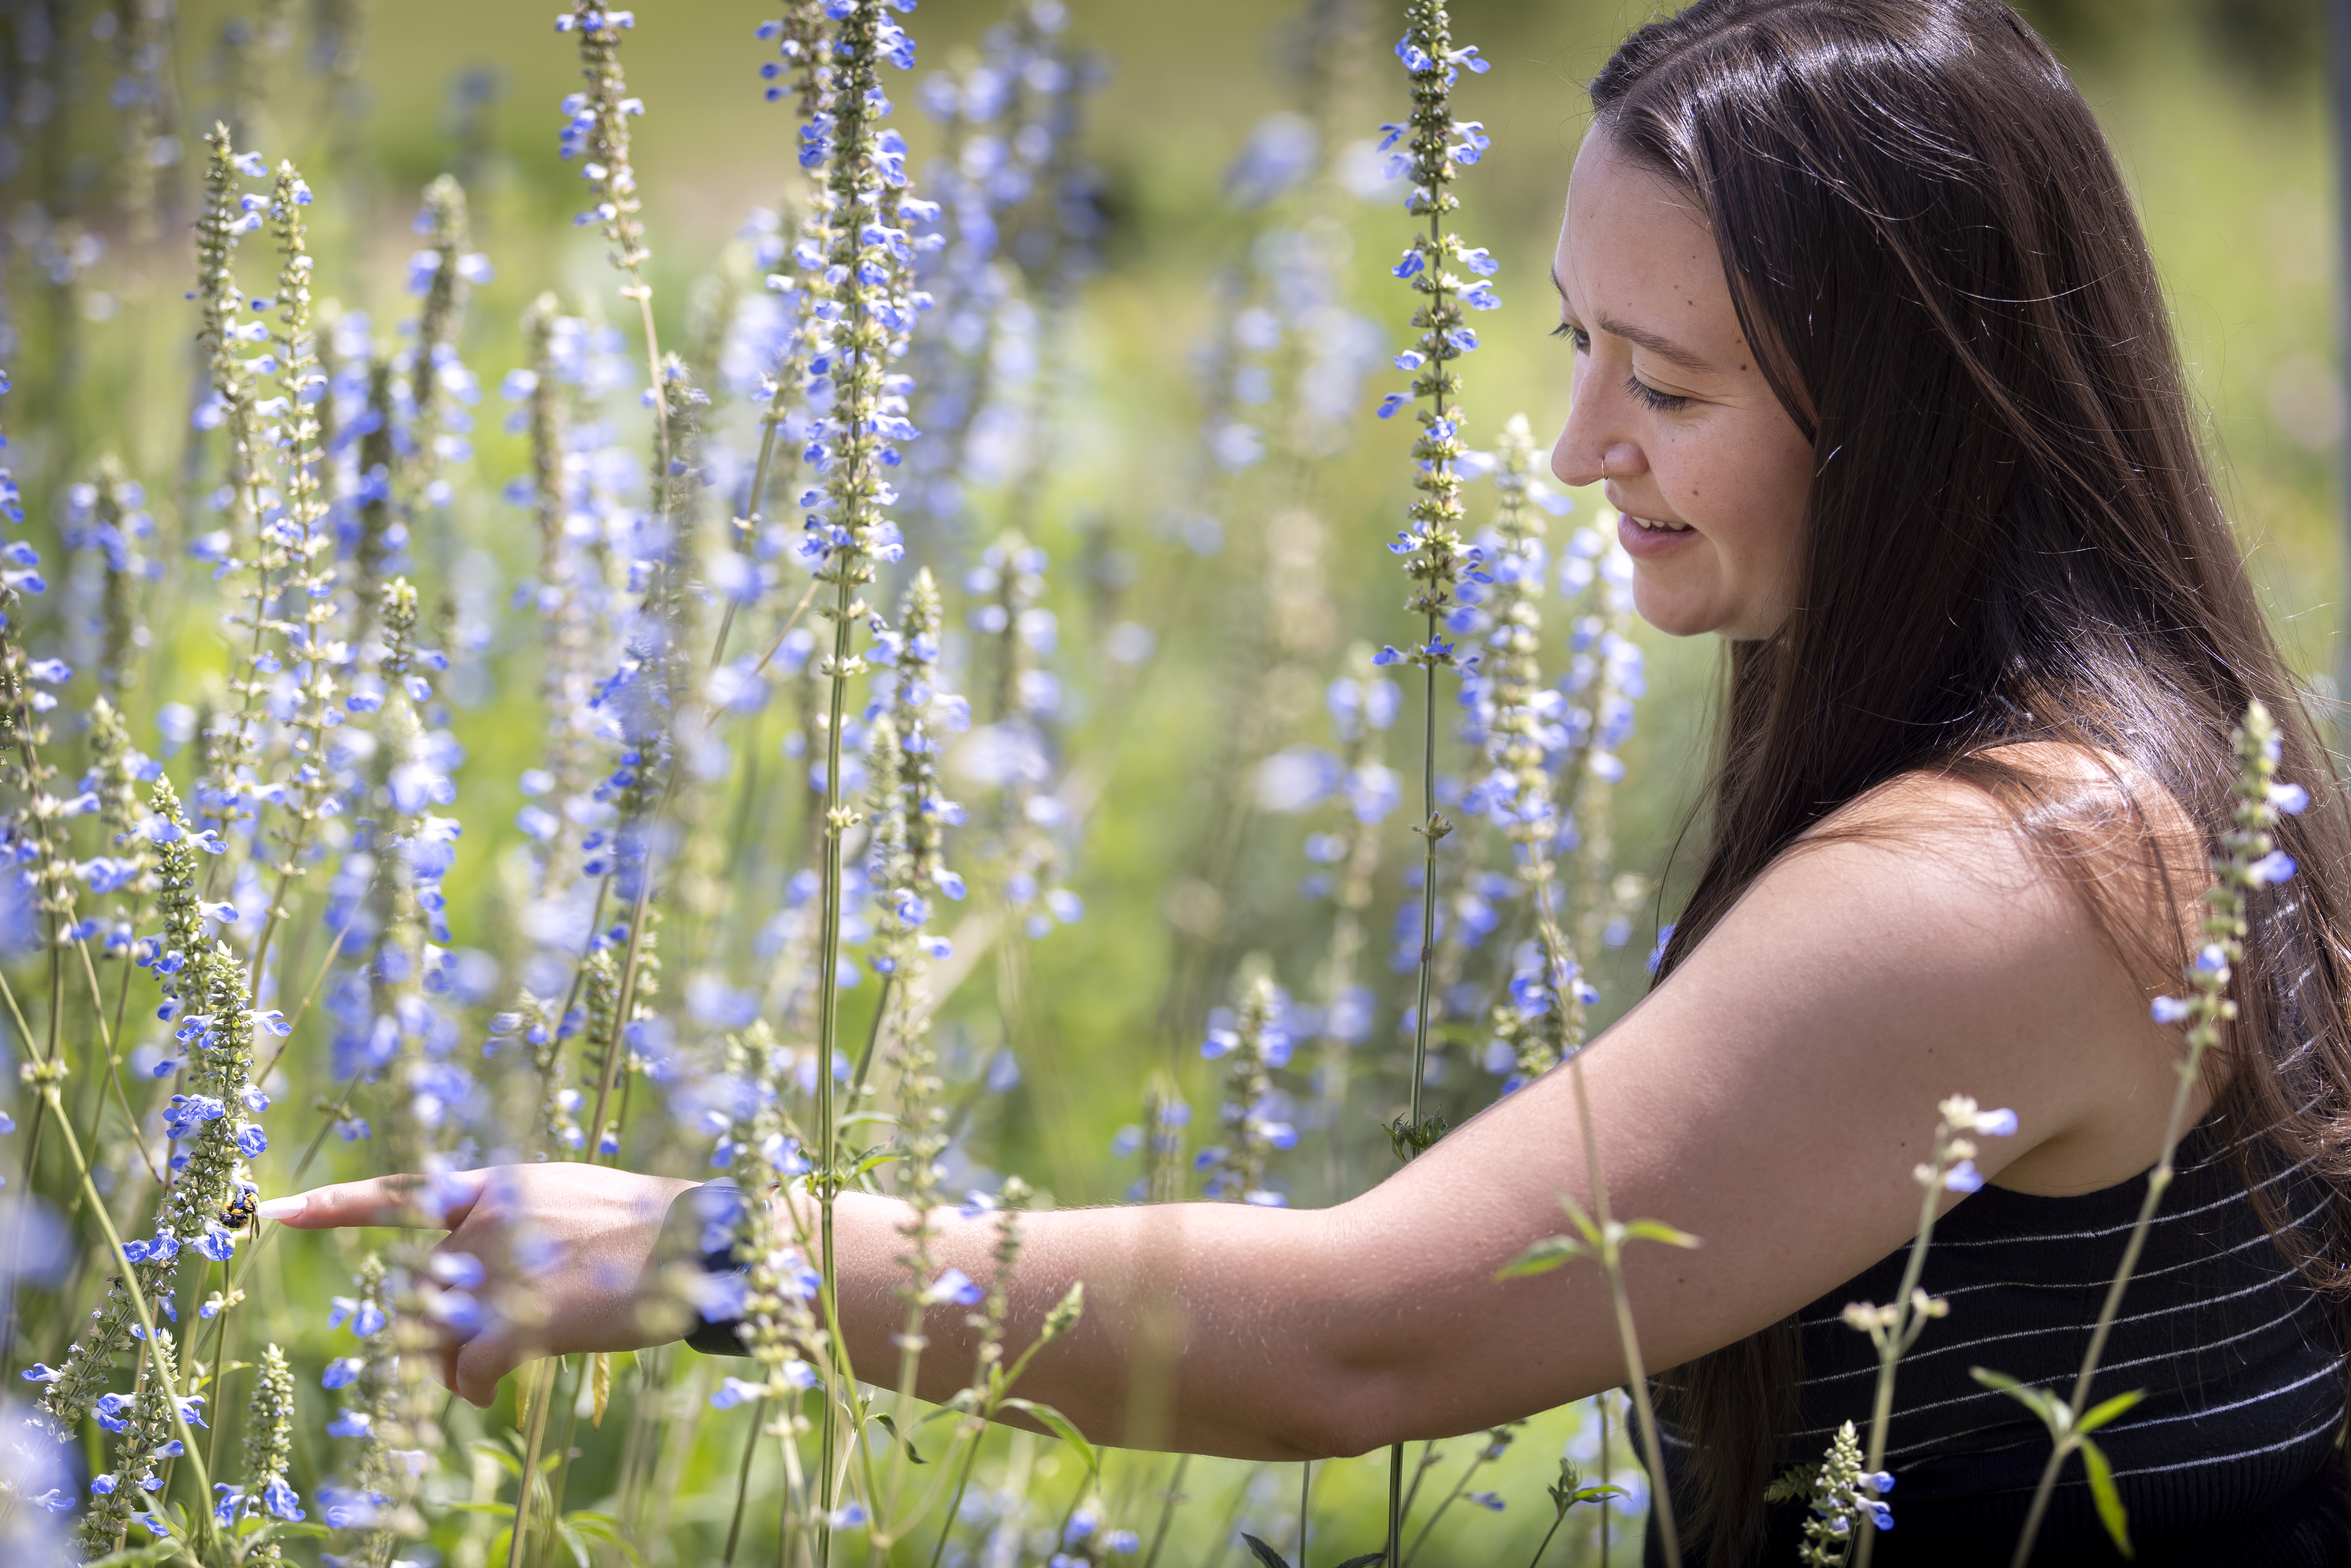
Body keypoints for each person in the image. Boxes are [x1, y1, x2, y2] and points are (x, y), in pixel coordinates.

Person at [260, 1, 2351, 1562]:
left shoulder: (2003, 881)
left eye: (1672, 382)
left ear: (1917, 413)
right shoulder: (2137, 749)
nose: (1575, 448)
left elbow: (1365, 1342)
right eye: (1572, 344)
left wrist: (699, 1255)